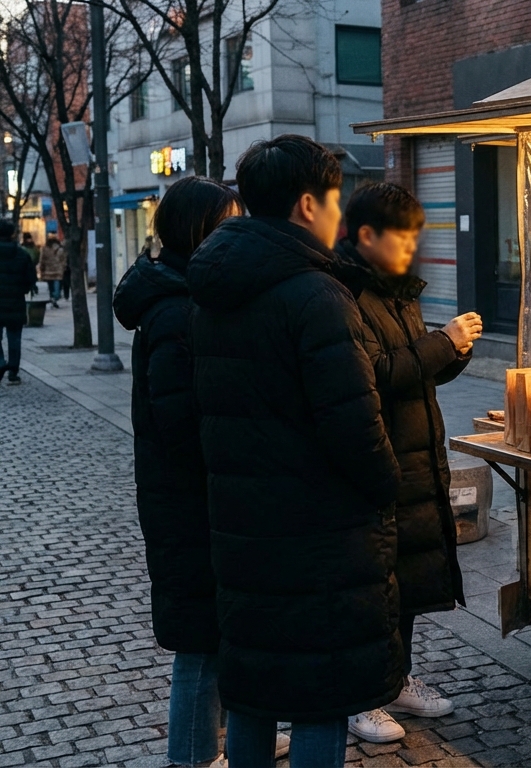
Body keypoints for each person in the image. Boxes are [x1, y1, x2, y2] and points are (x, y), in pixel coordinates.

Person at [187, 135, 402, 768]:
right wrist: (387, 486)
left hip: (242, 526)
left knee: (253, 691)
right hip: (317, 536)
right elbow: (355, 427)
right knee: (319, 696)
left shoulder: (214, 289)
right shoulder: (315, 294)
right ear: (308, 205)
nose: (341, 217)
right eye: (336, 200)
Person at [113, 177, 292, 766]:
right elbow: (180, 423)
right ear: (198, 232)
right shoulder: (175, 310)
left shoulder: (189, 297)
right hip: (189, 503)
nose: (236, 232)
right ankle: (191, 755)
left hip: (200, 497)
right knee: (200, 639)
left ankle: (233, 735)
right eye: (227, 222)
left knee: (222, 629)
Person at [334, 183, 482, 743]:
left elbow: (416, 368)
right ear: (366, 236)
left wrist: (454, 351)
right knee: (373, 587)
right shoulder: (348, 293)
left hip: (416, 457)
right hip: (379, 459)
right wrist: (441, 342)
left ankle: (395, 681)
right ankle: (360, 698)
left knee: (407, 582)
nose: (411, 248)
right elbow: (376, 373)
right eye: (403, 237)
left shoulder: (398, 292)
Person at [0, 220, 34, 385]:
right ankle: (13, 370)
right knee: (14, 338)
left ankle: (0, 362)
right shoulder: (22, 254)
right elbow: (30, 279)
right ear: (12, 234)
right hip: (16, 303)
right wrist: (21, 289)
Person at [38, 236, 64, 308]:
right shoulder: (60, 249)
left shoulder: (44, 249)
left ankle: (52, 298)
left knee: (50, 287)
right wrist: (63, 268)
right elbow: (63, 260)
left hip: (48, 271)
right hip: (58, 271)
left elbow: (42, 259)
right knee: (57, 287)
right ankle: (55, 298)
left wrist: (41, 268)